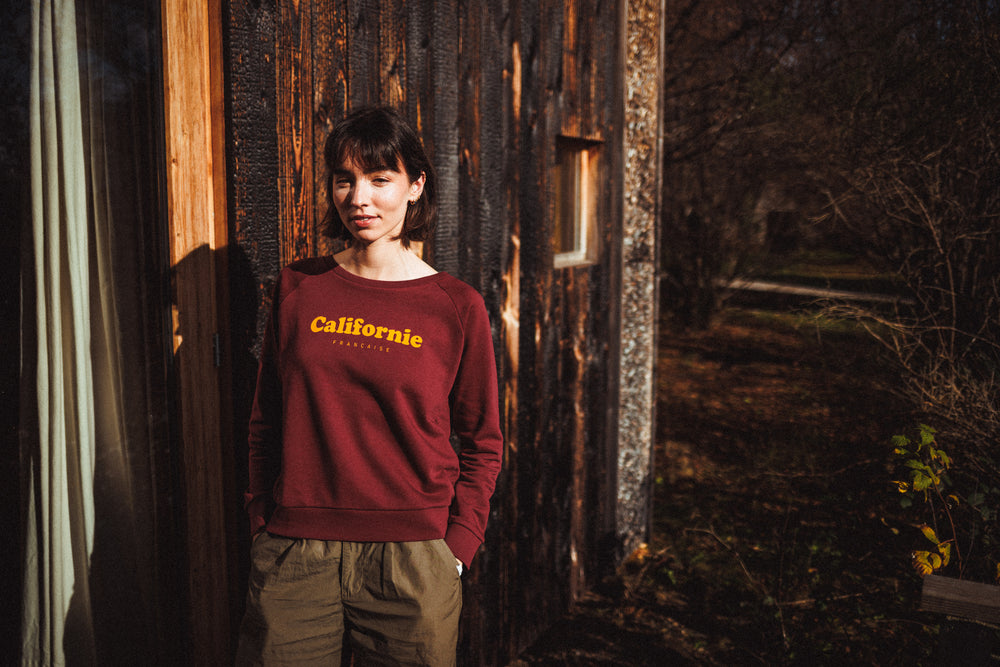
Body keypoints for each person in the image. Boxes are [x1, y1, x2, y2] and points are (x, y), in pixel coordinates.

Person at [236, 106, 504, 666]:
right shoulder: (299, 288)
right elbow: (266, 421)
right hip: (295, 553)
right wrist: (263, 519)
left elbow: (483, 441)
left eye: (380, 179)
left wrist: (457, 549)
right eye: (345, 179)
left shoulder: (456, 308)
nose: (360, 197)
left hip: (414, 561)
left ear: (415, 186)